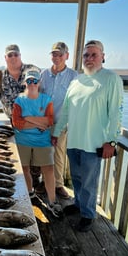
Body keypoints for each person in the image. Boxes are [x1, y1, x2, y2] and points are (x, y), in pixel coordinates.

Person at [52, 40, 123, 231]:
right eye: (86, 55)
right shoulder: (76, 81)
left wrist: (112, 141)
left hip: (94, 143)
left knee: (89, 181)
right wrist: (57, 132)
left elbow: (116, 112)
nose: (89, 58)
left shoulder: (111, 79)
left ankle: (88, 214)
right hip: (73, 140)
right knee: (76, 177)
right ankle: (78, 204)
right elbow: (66, 111)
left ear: (103, 56)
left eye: (94, 54)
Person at [0, 44, 41, 187]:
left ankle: (36, 184)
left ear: (20, 56)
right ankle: (22, 185)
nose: (13, 57)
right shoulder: (0, 77)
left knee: (34, 155)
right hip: (13, 123)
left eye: (16, 54)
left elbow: (40, 86)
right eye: (10, 55)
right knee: (17, 155)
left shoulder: (31, 70)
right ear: (5, 58)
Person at [11, 69, 62, 218]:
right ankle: (30, 192)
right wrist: (38, 122)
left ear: (39, 83)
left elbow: (49, 121)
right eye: (29, 81)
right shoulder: (19, 100)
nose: (32, 84)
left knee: (49, 170)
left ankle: (52, 201)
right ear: (24, 83)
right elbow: (17, 123)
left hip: (42, 142)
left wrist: (27, 118)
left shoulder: (46, 100)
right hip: (22, 141)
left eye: (34, 81)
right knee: (24, 169)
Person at [38, 42, 78, 199]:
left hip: (61, 122)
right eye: (54, 54)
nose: (56, 57)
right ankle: (44, 181)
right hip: (43, 122)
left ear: (67, 56)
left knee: (59, 153)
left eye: (60, 54)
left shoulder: (74, 76)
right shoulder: (43, 74)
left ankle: (59, 185)